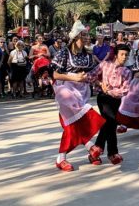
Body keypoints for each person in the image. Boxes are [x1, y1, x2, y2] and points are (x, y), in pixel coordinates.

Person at [50, 20, 105, 172]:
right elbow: (55, 73)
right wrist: (74, 77)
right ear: (76, 37)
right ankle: (90, 148)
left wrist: (101, 83)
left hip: (82, 91)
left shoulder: (88, 54)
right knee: (80, 120)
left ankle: (70, 155)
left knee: (73, 125)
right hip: (65, 91)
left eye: (88, 35)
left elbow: (93, 73)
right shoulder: (64, 53)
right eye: (85, 35)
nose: (88, 37)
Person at [87, 44, 131, 165]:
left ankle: (97, 153)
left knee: (110, 124)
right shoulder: (105, 64)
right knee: (110, 121)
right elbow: (90, 75)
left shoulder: (127, 71)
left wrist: (110, 91)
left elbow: (125, 90)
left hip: (116, 100)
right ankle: (105, 150)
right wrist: (100, 83)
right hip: (103, 98)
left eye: (126, 55)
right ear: (116, 55)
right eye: (122, 54)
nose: (124, 57)